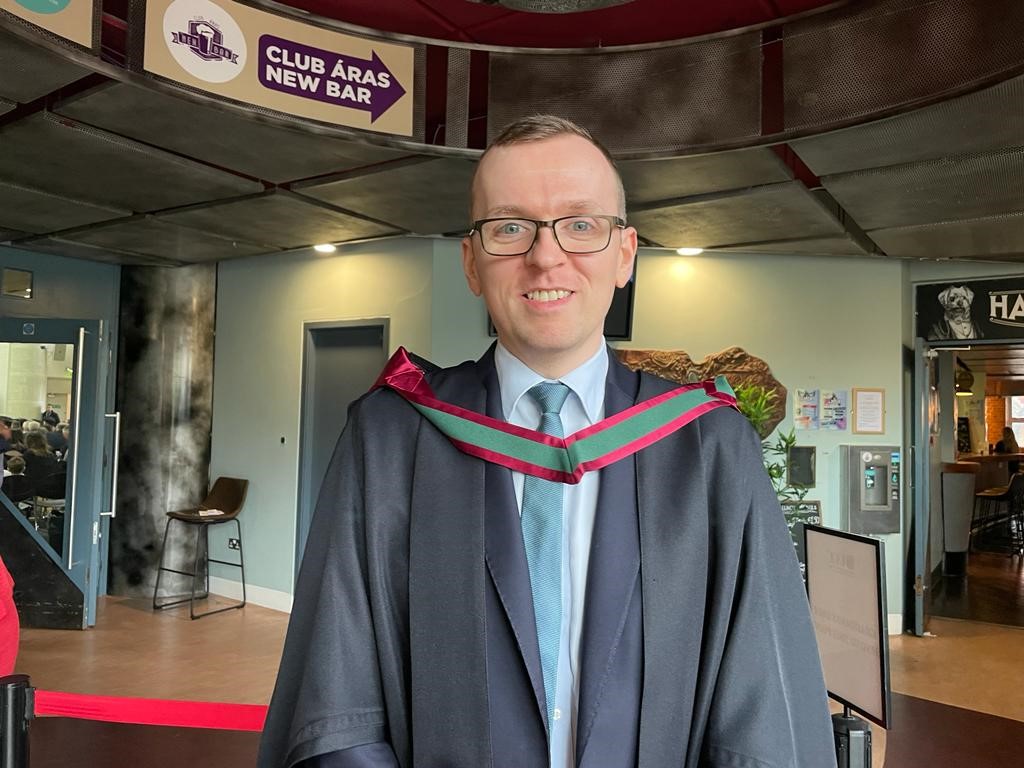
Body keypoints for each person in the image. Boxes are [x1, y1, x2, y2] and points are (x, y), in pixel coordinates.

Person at [259, 116, 836, 768]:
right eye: (509, 227)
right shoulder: (391, 439)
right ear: (471, 262)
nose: (545, 256)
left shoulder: (709, 447)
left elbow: (761, 714)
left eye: (581, 224)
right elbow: (338, 705)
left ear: (625, 255)